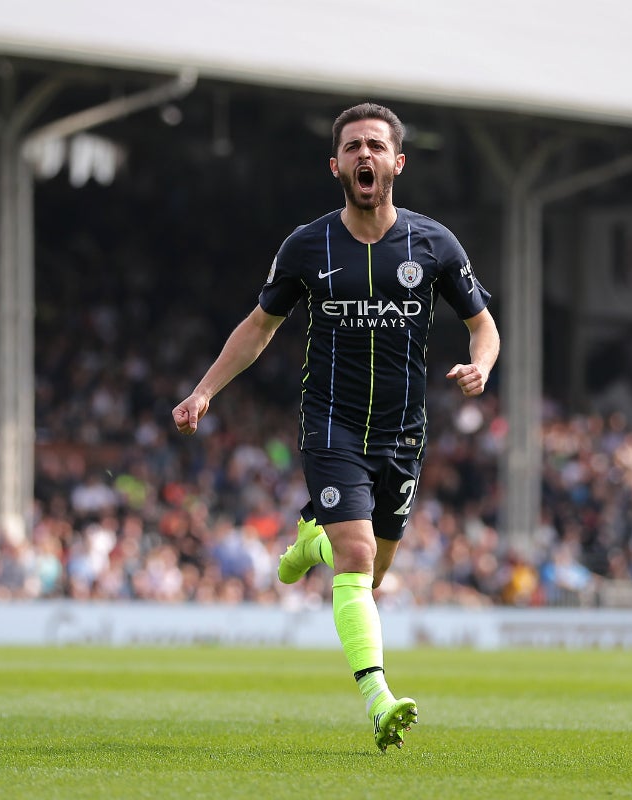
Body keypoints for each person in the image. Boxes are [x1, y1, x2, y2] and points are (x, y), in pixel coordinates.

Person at [173, 103, 500, 751]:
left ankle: (310, 544)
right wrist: (204, 390)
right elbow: (259, 327)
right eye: (352, 147)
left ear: (397, 163)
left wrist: (481, 366)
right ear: (336, 165)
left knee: (369, 577)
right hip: (332, 425)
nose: (364, 155)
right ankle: (380, 700)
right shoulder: (307, 245)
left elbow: (482, 325)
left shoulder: (434, 244)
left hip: (403, 434)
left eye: (375, 146)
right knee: (358, 556)